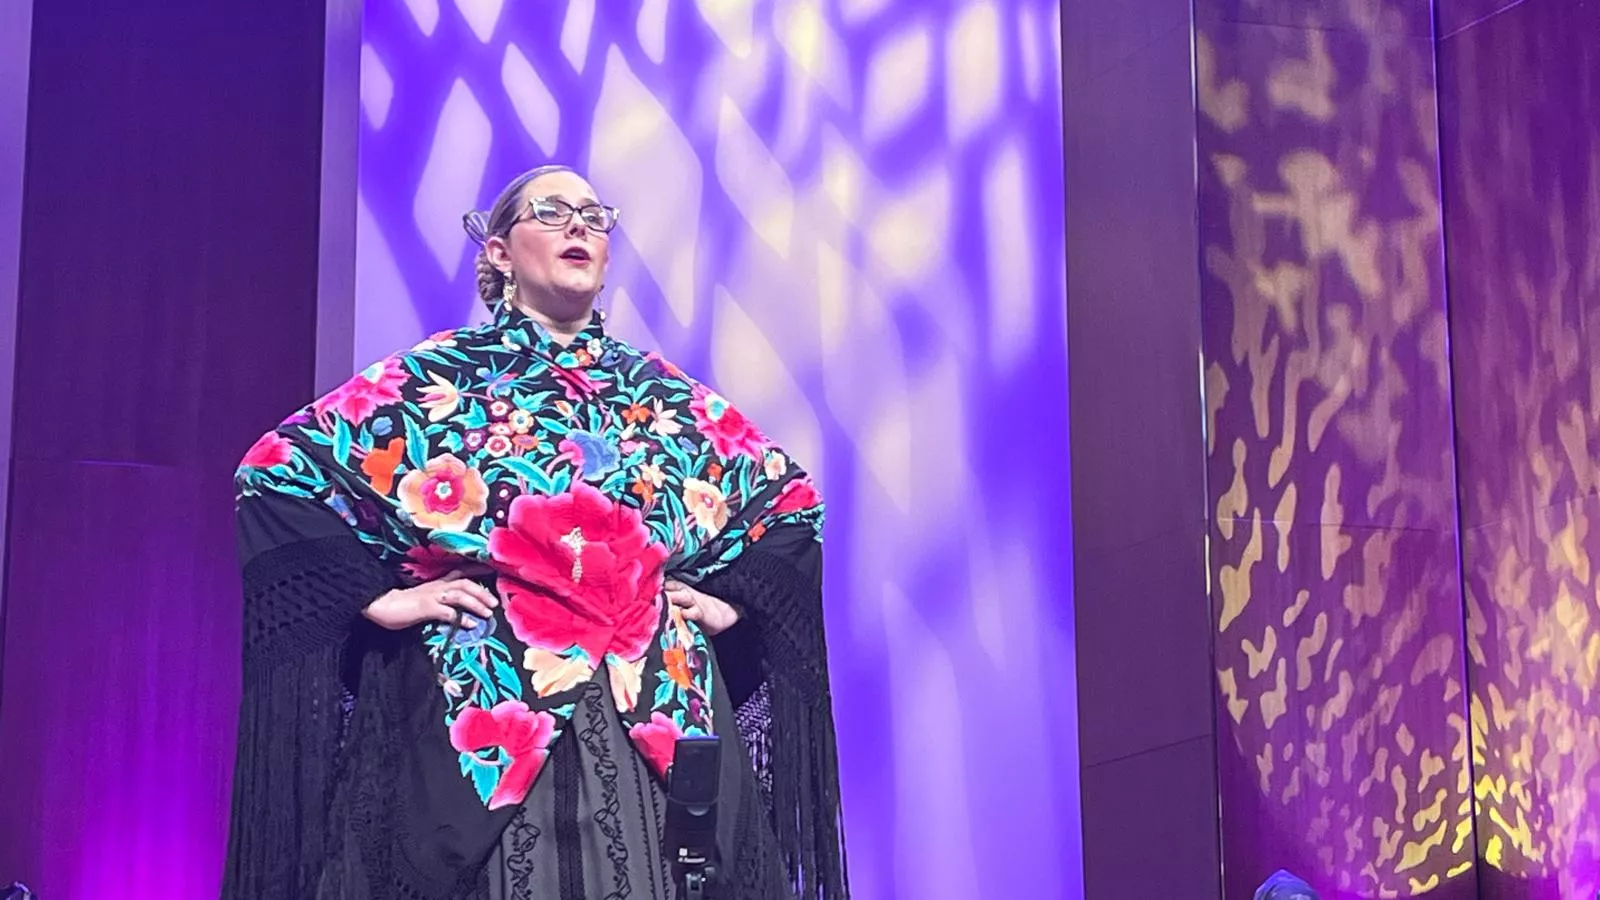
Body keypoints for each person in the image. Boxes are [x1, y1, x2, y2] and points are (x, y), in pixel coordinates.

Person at [222, 165, 849, 900]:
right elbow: (276, 471)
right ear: (498, 252)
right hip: (490, 708)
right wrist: (376, 599)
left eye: (593, 214)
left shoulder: (662, 397)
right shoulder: (437, 382)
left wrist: (727, 605)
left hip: (655, 715)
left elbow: (789, 501)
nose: (578, 226)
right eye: (551, 212)